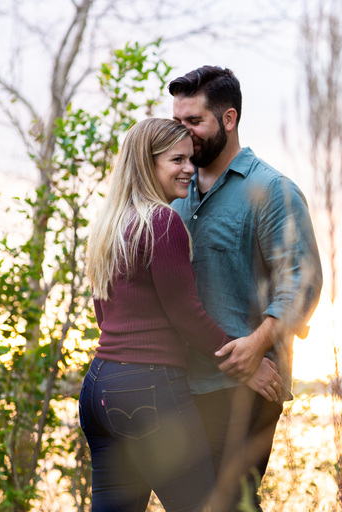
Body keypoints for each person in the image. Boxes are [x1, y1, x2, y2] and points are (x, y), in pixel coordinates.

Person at [78, 118, 281, 512]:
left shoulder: (108, 227)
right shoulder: (162, 222)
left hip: (99, 386)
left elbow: (103, 314)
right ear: (146, 164)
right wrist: (245, 363)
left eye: (190, 159)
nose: (190, 168)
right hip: (149, 389)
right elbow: (186, 315)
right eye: (177, 160)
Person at [169, 66, 322, 511]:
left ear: (229, 119)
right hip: (180, 386)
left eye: (194, 122)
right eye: (177, 122)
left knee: (232, 504)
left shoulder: (272, 189)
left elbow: (303, 280)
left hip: (245, 388)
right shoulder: (175, 190)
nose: (183, 134)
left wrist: (259, 344)